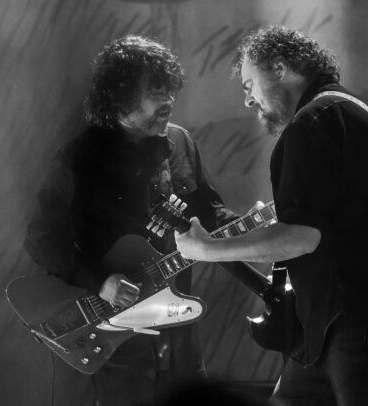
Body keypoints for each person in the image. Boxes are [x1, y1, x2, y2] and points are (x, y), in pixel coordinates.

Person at [175, 26, 368, 406]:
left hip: (351, 325)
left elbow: (301, 237)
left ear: (279, 68)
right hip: (343, 326)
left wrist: (205, 249)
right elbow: (336, 226)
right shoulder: (358, 115)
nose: (248, 100)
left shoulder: (311, 123)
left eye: (249, 85)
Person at [24, 35, 237, 406]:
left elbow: (209, 212)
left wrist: (254, 227)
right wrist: (99, 282)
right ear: (120, 98)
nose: (168, 100)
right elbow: (41, 238)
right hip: (118, 331)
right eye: (155, 91)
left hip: (178, 320)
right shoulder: (80, 158)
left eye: (169, 89)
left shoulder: (180, 143)